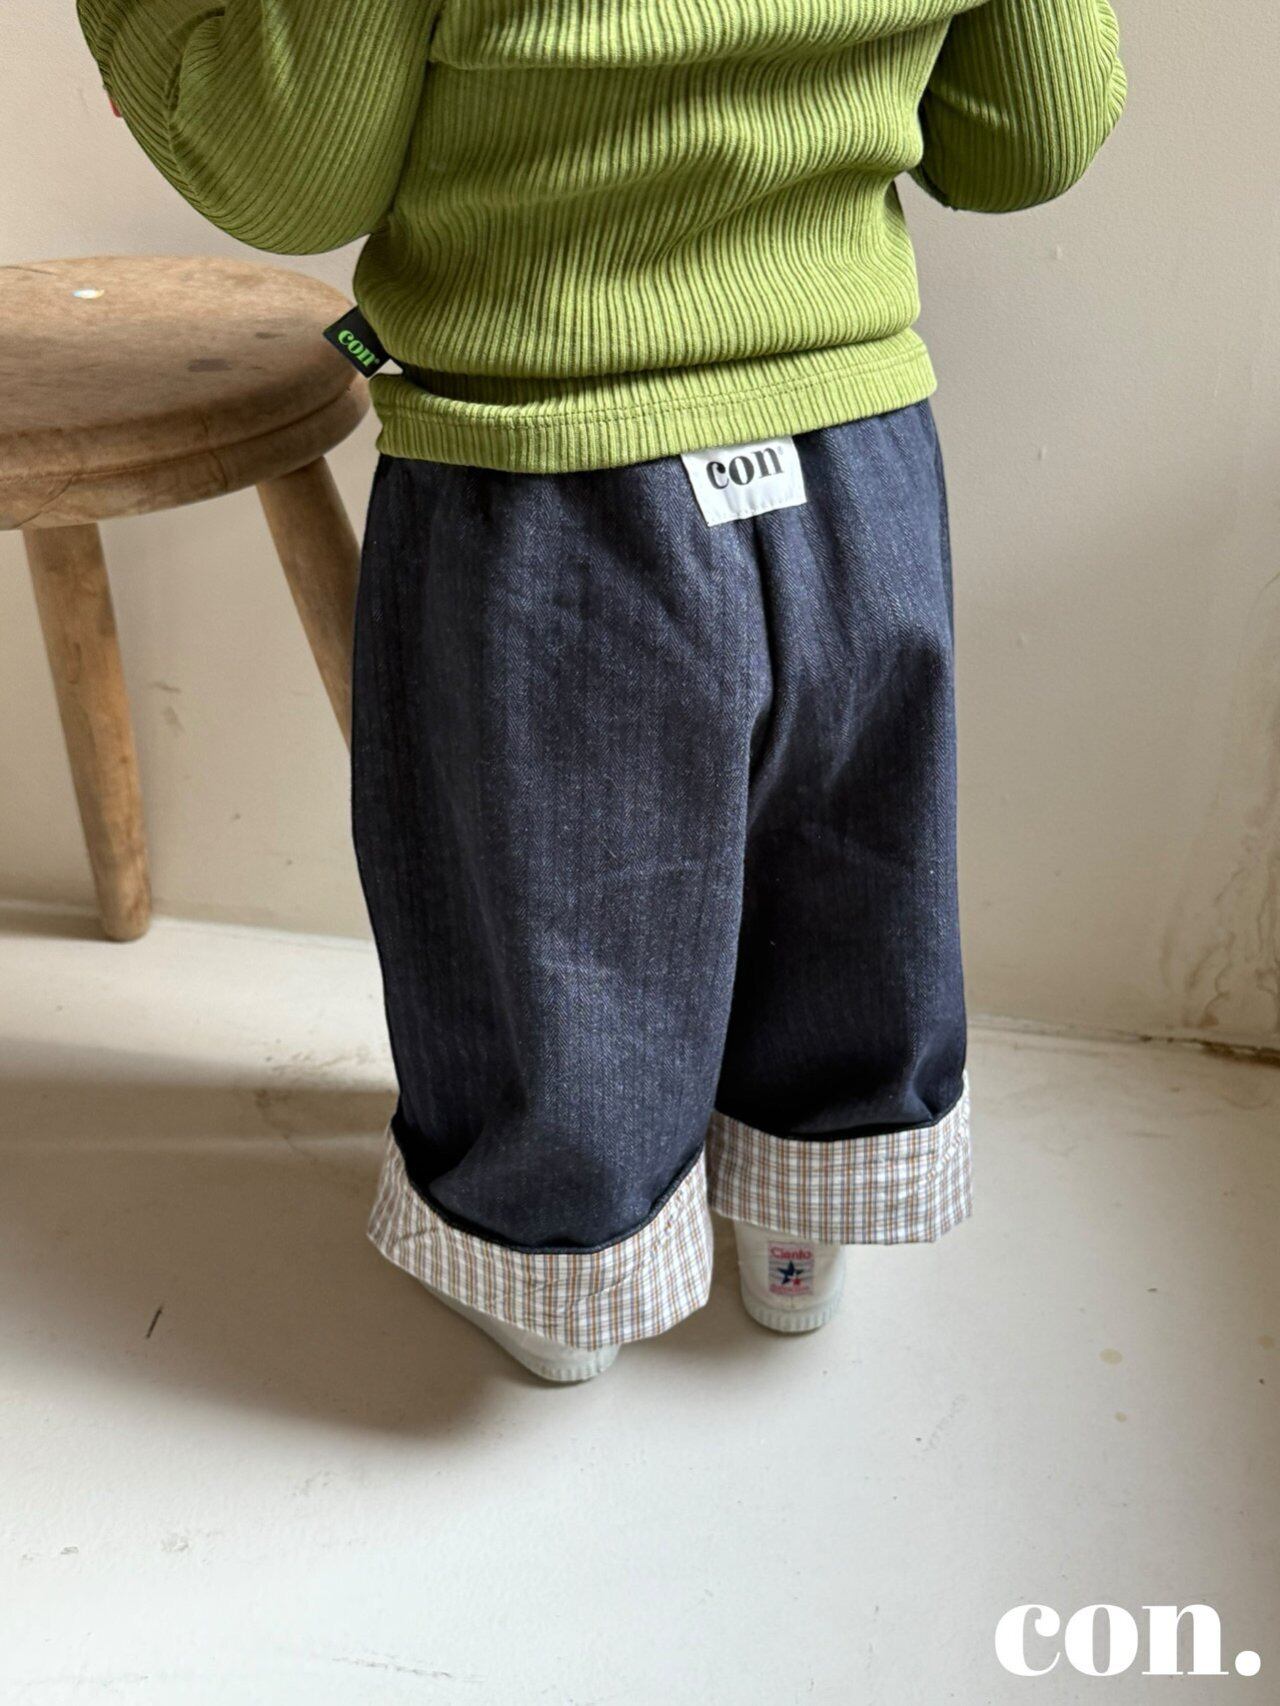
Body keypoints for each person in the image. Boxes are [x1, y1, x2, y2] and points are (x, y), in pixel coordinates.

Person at [78, 0, 1125, 1382]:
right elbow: (1027, 139)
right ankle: (804, 1226)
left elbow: (294, 173)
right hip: (857, 466)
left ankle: (557, 1273)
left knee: (554, 916)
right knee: (845, 864)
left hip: (552, 485)